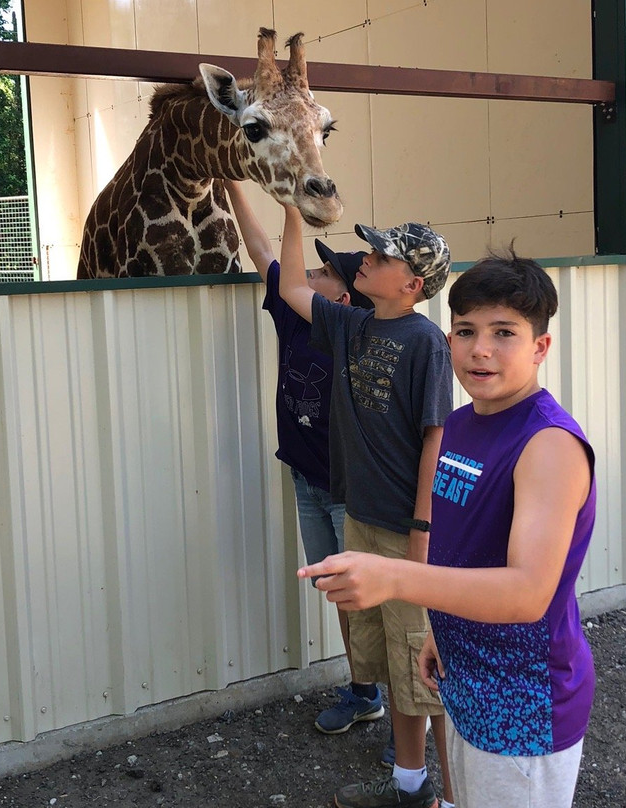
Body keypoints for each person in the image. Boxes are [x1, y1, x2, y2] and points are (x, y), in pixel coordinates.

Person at [299, 249, 597, 808]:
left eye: (504, 332)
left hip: (523, 705)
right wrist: (442, 629)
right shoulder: (460, 426)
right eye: (465, 331)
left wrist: (395, 578)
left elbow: (528, 592)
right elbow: (466, 551)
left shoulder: (549, 446)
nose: (480, 349)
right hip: (462, 678)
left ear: (540, 347)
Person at [277, 202, 455, 808]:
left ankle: (445, 792)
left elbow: (436, 436)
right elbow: (291, 285)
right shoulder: (352, 326)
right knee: (383, 656)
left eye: (382, 257)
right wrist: (292, 214)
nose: (367, 260)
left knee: (418, 665)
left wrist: (423, 530)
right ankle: (408, 785)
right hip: (360, 518)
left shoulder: (428, 343)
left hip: (408, 532)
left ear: (412, 284)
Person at [224, 181, 386, 736]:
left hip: (349, 492)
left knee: (375, 603)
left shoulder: (356, 338)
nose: (305, 277)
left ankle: (401, 718)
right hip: (307, 480)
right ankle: (364, 691)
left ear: (340, 301)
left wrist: (294, 208)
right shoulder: (295, 319)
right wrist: (235, 186)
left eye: (320, 275)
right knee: (341, 593)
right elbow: (263, 251)